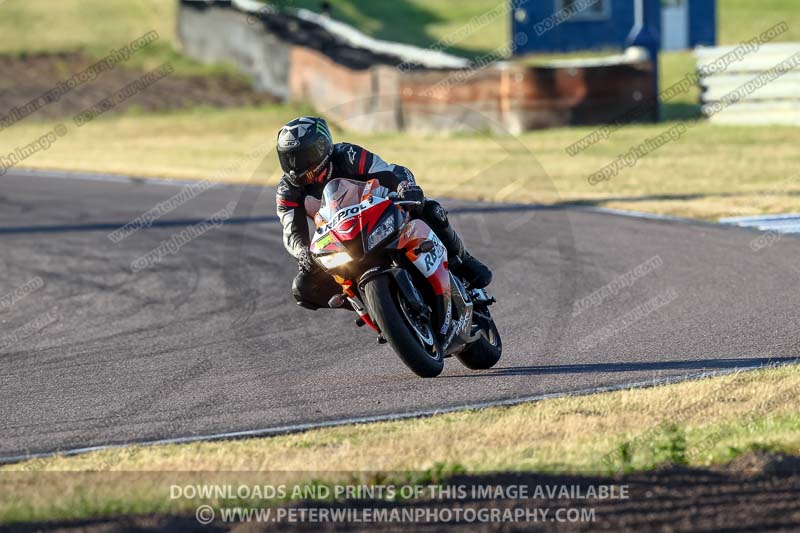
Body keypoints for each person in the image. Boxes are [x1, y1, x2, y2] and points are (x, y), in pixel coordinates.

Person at [275, 116, 492, 310]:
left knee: (430, 209)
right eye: (289, 159)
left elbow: (389, 171)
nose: (296, 166)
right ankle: (371, 304)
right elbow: (291, 231)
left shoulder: (347, 155)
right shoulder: (288, 190)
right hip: (339, 238)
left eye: (302, 157)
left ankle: (463, 260)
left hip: (376, 214)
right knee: (304, 288)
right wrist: (302, 251)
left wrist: (404, 187)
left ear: (321, 147)